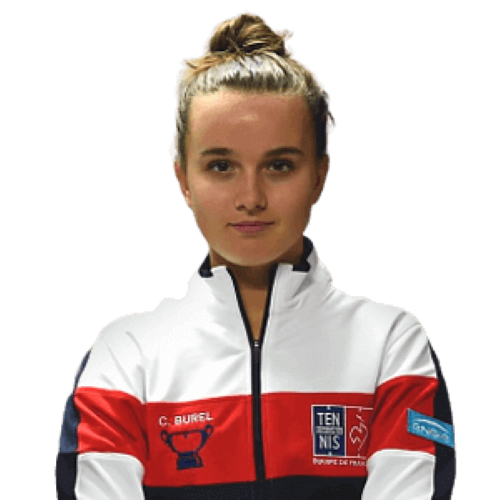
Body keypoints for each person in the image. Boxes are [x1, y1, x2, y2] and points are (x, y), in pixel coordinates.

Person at [55, 11, 456, 499]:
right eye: (221, 165)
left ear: (319, 175)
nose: (251, 198)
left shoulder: (391, 344)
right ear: (183, 178)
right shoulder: (125, 355)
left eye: (279, 165)